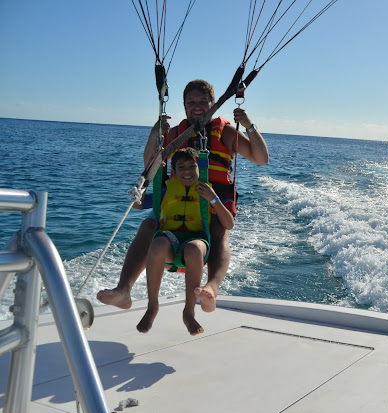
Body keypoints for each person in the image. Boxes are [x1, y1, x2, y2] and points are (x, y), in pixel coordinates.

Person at [97, 79, 268, 313]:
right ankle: (124, 290)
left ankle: (211, 289)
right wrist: (153, 134)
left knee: (220, 230)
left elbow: (261, 159)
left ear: (213, 104)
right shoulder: (176, 134)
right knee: (149, 224)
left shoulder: (226, 132)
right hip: (179, 195)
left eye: (203, 102)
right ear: (185, 106)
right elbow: (151, 164)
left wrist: (248, 125)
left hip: (212, 197)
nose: (197, 106)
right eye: (191, 102)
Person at [137, 147, 234, 335]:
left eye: (192, 166)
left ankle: (189, 312)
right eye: (181, 167)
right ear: (174, 171)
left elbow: (228, 223)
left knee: (194, 250)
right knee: (157, 244)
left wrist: (213, 199)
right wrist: (140, 187)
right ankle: (152, 306)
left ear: (200, 169)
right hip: (170, 241)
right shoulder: (167, 191)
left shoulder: (207, 191)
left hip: (196, 240)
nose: (187, 171)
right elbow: (138, 204)